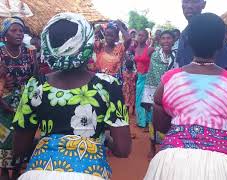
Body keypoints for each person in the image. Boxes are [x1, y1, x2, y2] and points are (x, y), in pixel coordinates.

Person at [12, 13, 132, 180]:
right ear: (87, 43)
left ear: (48, 46)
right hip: (89, 173)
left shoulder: (36, 84)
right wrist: (105, 139)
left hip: (39, 173)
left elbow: (19, 148)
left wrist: (50, 142)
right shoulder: (108, 85)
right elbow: (123, 149)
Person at [144, 13, 227, 180]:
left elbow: (161, 126)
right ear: (222, 43)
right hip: (222, 166)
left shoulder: (170, 79)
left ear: (188, 42)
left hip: (171, 163)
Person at [0, 17, 36, 179]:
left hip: (25, 101)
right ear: (5, 35)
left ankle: (16, 172)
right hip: (3, 103)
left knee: (23, 137)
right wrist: (2, 103)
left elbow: (35, 78)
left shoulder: (29, 52)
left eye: (21, 30)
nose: (19, 33)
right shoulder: (0, 54)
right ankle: (4, 172)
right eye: (14, 30)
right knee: (4, 139)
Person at [141, 30, 178, 157]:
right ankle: (152, 147)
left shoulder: (178, 56)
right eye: (163, 38)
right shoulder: (155, 56)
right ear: (160, 41)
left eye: (169, 38)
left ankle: (168, 147)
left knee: (171, 122)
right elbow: (151, 76)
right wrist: (149, 96)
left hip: (173, 95)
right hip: (155, 94)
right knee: (154, 121)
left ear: (173, 41)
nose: (166, 41)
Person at [177, 0, 227, 73]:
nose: (189, 6)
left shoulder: (211, 31)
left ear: (203, 4)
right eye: (186, 2)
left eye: (194, 2)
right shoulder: (183, 34)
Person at [135, 29, 154, 128]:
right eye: (139, 35)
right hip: (139, 77)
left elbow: (154, 63)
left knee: (147, 99)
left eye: (142, 36)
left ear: (146, 38)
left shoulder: (150, 49)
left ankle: (148, 120)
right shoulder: (136, 48)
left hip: (147, 77)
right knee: (138, 99)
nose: (140, 37)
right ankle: (141, 121)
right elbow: (136, 63)